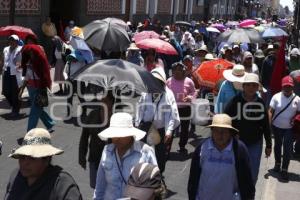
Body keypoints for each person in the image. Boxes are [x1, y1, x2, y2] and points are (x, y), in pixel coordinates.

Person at [188, 114, 255, 200]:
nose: (220, 135)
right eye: (217, 131)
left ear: (230, 133)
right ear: (212, 131)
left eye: (224, 131)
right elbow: (193, 178)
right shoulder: (202, 147)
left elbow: (247, 180)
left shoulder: (239, 149)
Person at [135, 67, 180, 195]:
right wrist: (137, 125)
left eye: (157, 80)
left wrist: (169, 131)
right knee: (142, 153)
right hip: (145, 127)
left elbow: (171, 114)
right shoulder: (146, 92)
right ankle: (143, 178)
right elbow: (140, 108)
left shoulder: (168, 94)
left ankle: (158, 177)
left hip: (160, 130)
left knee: (160, 155)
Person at [93, 112, 157, 200]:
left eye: (121, 134)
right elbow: (100, 187)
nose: (116, 138)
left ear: (131, 134)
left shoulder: (146, 152)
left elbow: (154, 188)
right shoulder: (107, 151)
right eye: (114, 134)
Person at [4, 128, 82, 199]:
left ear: (47, 159)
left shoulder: (62, 184)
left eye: (32, 158)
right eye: (22, 157)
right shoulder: (15, 176)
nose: (25, 163)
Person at [225, 73, 272, 184]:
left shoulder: (260, 103)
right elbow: (226, 119)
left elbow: (265, 124)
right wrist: (232, 134)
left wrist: (269, 144)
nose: (251, 88)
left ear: (257, 87)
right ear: (243, 86)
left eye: (254, 85)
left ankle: (250, 194)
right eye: (248, 85)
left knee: (252, 173)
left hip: (255, 143)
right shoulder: (235, 101)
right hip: (237, 142)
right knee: (236, 171)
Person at [78, 92, 114, 189]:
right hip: (95, 158)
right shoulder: (93, 115)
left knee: (109, 188)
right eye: (101, 101)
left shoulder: (117, 118)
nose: (102, 103)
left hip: (112, 161)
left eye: (106, 101)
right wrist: (82, 156)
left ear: (112, 102)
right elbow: (84, 136)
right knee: (96, 187)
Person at [269, 76, 300, 181]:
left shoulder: (297, 99)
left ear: (293, 87)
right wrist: (267, 125)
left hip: (289, 129)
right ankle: (277, 163)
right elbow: (270, 111)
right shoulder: (276, 97)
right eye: (285, 86)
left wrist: (296, 118)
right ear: (282, 86)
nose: (287, 89)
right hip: (276, 127)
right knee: (277, 146)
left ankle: (284, 169)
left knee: (287, 149)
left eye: (289, 87)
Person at [20, 44, 55, 132]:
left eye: (32, 52)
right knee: (38, 108)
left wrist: (45, 87)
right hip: (30, 88)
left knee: (34, 111)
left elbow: (45, 77)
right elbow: (27, 77)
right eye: (29, 52)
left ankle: (30, 132)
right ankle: (49, 123)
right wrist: (21, 90)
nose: (31, 54)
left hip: (39, 88)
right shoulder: (28, 62)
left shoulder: (42, 63)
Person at [167, 62, 196, 153]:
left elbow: (194, 92)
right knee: (170, 128)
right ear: (173, 71)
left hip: (185, 109)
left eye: (180, 69)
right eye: (175, 69)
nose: (178, 71)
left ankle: (182, 146)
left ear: (184, 71)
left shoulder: (189, 81)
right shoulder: (168, 81)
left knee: (184, 129)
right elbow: (165, 93)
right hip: (172, 109)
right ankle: (167, 147)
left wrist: (190, 97)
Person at [2, 35, 23, 117]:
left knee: (15, 92)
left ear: (17, 41)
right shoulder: (6, 49)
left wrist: (19, 65)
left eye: (13, 40)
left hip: (15, 72)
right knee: (5, 91)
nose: (11, 42)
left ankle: (15, 110)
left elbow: (20, 62)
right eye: (10, 40)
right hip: (6, 71)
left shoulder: (20, 49)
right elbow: (3, 59)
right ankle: (14, 106)